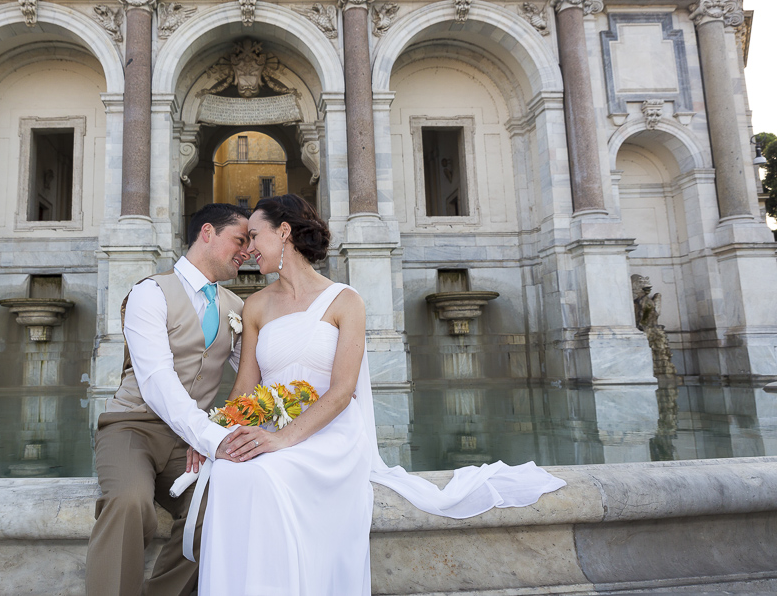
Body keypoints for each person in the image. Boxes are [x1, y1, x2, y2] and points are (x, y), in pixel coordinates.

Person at [192, 194, 566, 595]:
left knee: (266, 472)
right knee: (231, 471)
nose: (247, 249)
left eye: (254, 236)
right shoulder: (257, 306)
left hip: (329, 432)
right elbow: (245, 387)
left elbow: (342, 392)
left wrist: (281, 439)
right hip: (274, 424)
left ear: (283, 233)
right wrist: (213, 435)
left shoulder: (345, 301)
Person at [85, 202, 251, 596]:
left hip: (188, 442)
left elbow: (254, 374)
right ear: (207, 232)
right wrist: (208, 436)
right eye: (239, 240)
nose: (246, 251)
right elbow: (157, 379)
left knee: (219, 507)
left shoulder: (236, 307)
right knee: (129, 502)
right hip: (132, 428)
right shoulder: (150, 293)